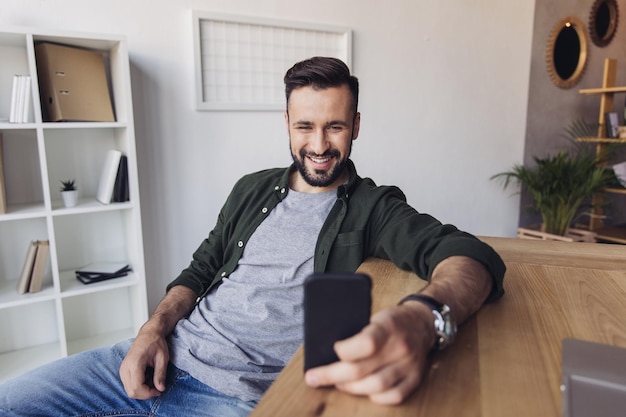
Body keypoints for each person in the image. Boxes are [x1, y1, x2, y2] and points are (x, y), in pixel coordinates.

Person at [0, 56, 505, 417]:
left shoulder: (375, 207)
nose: (319, 145)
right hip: (163, 355)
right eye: (305, 126)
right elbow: (200, 268)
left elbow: (469, 257)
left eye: (334, 127)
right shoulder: (251, 188)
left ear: (356, 126)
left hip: (237, 398)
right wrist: (151, 332)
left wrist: (425, 319)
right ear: (286, 123)